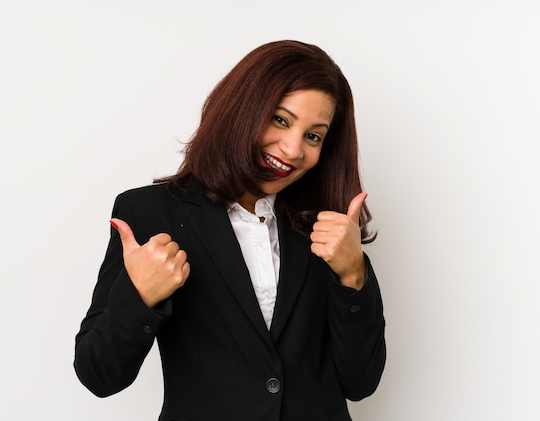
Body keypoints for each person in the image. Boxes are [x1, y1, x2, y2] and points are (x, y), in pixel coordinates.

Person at [74, 40, 386, 421]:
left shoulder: (327, 228)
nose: (291, 149)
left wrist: (354, 275)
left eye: (313, 135)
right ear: (243, 109)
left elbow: (360, 382)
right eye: (281, 119)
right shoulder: (150, 213)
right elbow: (98, 375)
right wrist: (139, 296)